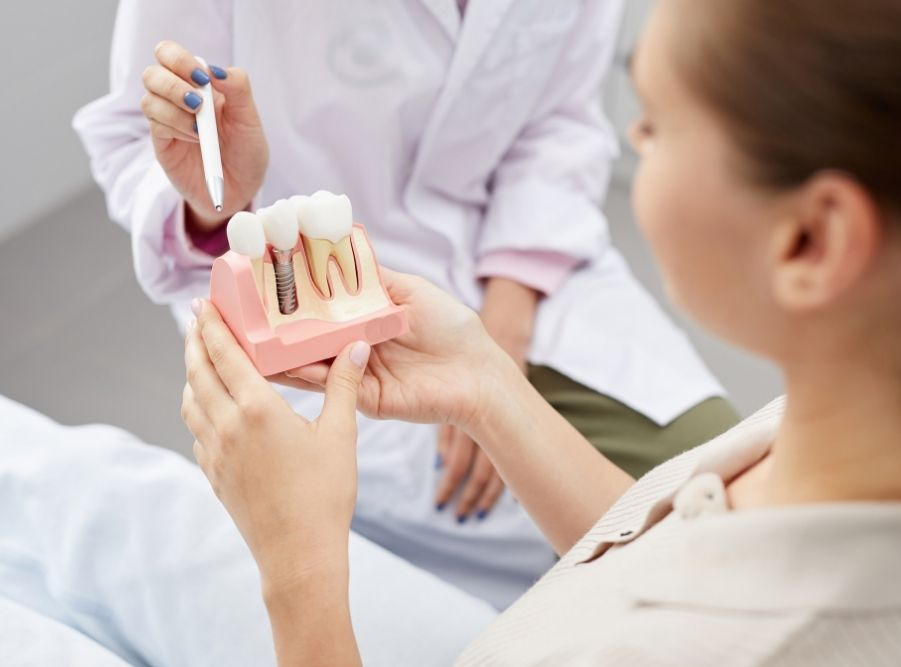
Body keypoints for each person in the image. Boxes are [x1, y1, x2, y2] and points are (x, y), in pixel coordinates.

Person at [180, 0, 901, 663]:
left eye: (654, 124)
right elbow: (673, 553)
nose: (631, 137)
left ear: (809, 240)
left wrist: (298, 569)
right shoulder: (832, 437)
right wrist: (485, 385)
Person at [73, 0, 736, 607]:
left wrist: (504, 318)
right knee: (617, 569)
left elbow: (559, 119)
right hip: (309, 294)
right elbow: (137, 140)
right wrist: (216, 198)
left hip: (528, 268)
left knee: (720, 498)